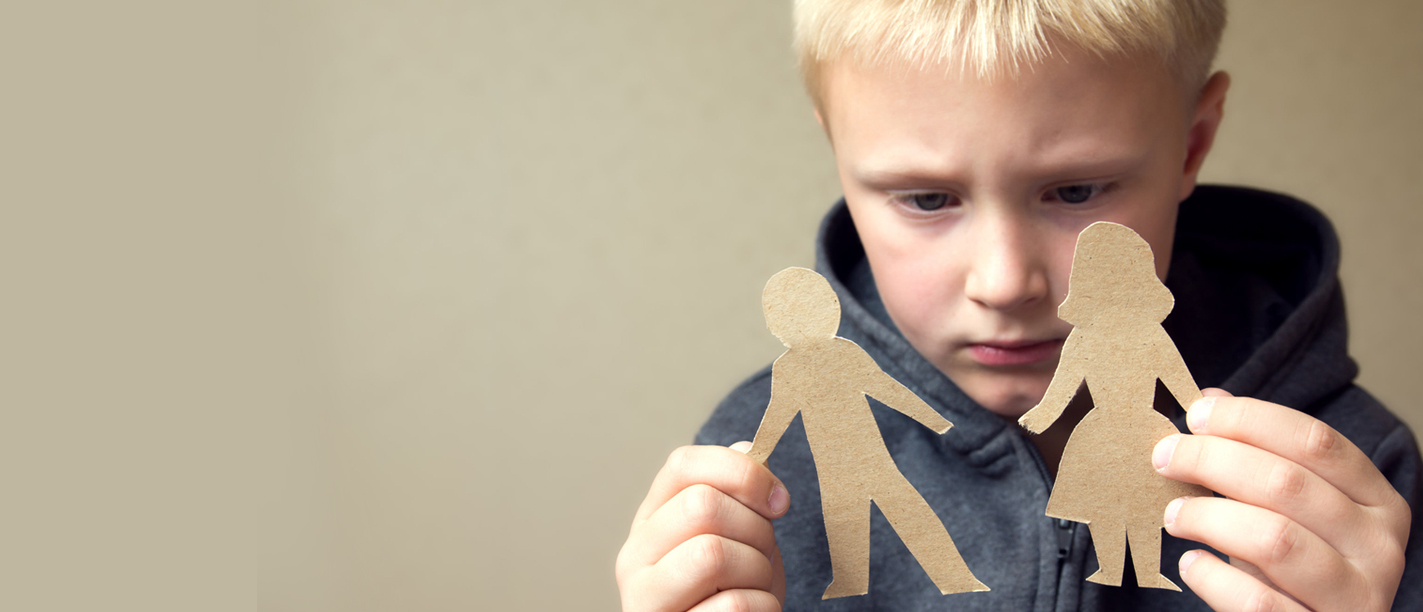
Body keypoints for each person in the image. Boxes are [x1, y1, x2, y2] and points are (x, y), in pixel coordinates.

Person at [615, 1, 1419, 610]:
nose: (1003, 282)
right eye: (927, 199)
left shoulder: (1343, 484)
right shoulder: (752, 483)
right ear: (837, 152)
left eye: (1075, 191)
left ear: (1192, 142)